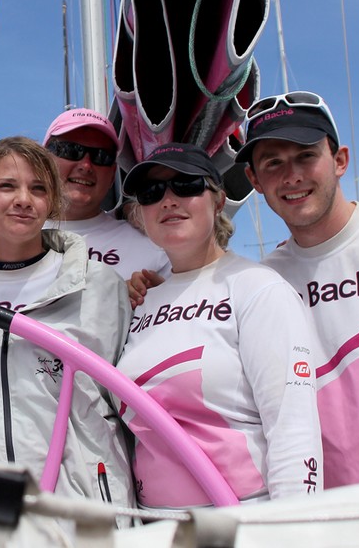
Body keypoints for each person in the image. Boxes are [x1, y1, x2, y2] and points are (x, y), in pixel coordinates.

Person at [119, 142, 322, 508]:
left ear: (217, 201)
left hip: (244, 520)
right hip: (154, 526)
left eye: (187, 185)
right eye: (152, 192)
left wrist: (295, 530)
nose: (168, 200)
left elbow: (292, 427)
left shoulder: (258, 288)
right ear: (141, 214)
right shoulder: (141, 301)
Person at [0, 136, 134, 504]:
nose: (23, 199)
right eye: (7, 186)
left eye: (38, 188)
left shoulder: (101, 285)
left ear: (53, 200)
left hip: (82, 505)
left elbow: (129, 403)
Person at [236, 90, 359, 488]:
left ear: (340, 160)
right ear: (254, 180)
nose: (291, 175)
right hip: (325, 512)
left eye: (306, 156)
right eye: (273, 163)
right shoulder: (260, 282)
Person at [42, 108, 169, 280]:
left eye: (101, 156)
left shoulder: (153, 249)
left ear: (112, 175)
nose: (86, 165)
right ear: (43, 163)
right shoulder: (0, 238)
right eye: (70, 150)